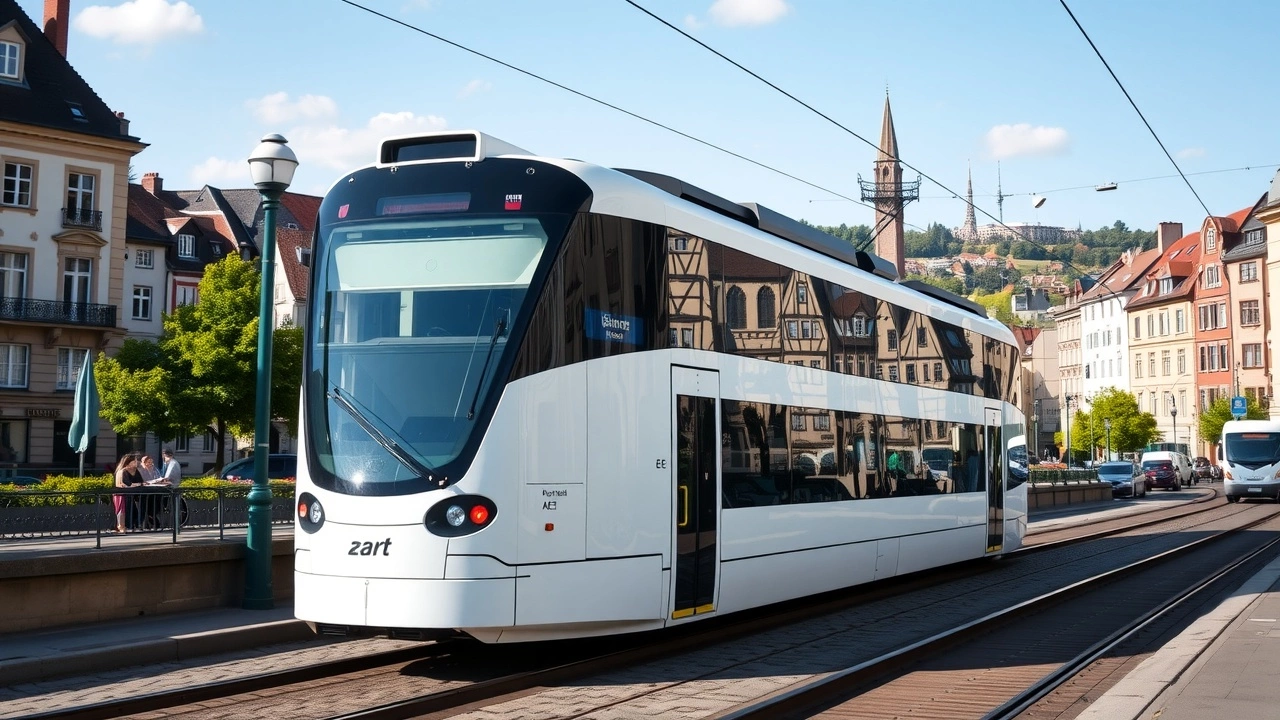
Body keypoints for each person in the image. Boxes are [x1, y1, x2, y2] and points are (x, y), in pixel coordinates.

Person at [112, 452, 143, 533]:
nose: (136, 463)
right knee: (122, 511)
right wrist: (137, 484)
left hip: (131, 495)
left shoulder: (136, 471)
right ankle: (121, 526)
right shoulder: (123, 471)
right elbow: (127, 483)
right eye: (133, 462)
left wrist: (139, 484)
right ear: (127, 463)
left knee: (133, 511)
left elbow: (140, 481)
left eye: (136, 461)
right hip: (121, 495)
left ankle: (131, 526)